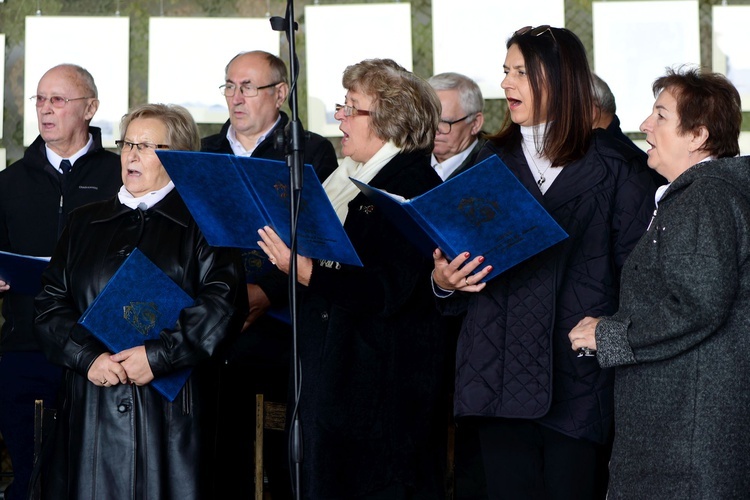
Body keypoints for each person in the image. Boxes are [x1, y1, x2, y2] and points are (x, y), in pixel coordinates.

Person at [431, 26, 656, 499]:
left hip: (576, 378)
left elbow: (641, 281)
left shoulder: (618, 168)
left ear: (560, 80)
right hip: (495, 373)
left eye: (522, 73)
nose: (507, 84)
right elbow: (453, 266)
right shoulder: (487, 160)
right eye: (505, 72)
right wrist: (444, 280)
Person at [33, 103, 248, 499]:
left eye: (146, 146)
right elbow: (49, 305)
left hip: (173, 415)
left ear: (177, 157)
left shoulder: (207, 224)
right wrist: (88, 358)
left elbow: (223, 309)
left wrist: (157, 357)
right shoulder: (84, 222)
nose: (131, 155)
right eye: (127, 143)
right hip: (91, 409)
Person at [257, 58, 449, 499]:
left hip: (376, 395)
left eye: (351, 108)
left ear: (388, 120)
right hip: (331, 378)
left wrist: (305, 270)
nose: (339, 117)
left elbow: (387, 290)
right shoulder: (346, 178)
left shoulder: (412, 185)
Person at [568, 68, 749, 498]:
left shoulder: (704, 198)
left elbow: (697, 304)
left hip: (685, 438)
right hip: (685, 428)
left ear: (698, 135)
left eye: (661, 116)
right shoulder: (706, 194)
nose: (645, 126)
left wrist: (606, 333)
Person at [201, 49, 338, 499]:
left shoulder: (309, 150)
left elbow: (318, 238)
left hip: (281, 318)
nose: (235, 97)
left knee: (281, 454)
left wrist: (268, 292)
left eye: (248, 87)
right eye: (229, 86)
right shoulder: (206, 151)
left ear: (280, 94)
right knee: (216, 446)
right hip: (216, 314)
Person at [0, 63, 121, 500]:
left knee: (96, 479)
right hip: (26, 348)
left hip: (104, 351)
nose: (45, 110)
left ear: (90, 108)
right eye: (39, 99)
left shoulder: (121, 176)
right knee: (33, 477)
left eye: (58, 100)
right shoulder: (8, 183)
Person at [428, 72, 486, 181]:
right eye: (428, 120)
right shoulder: (406, 161)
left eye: (445, 122)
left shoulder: (496, 168)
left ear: (475, 123)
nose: (434, 130)